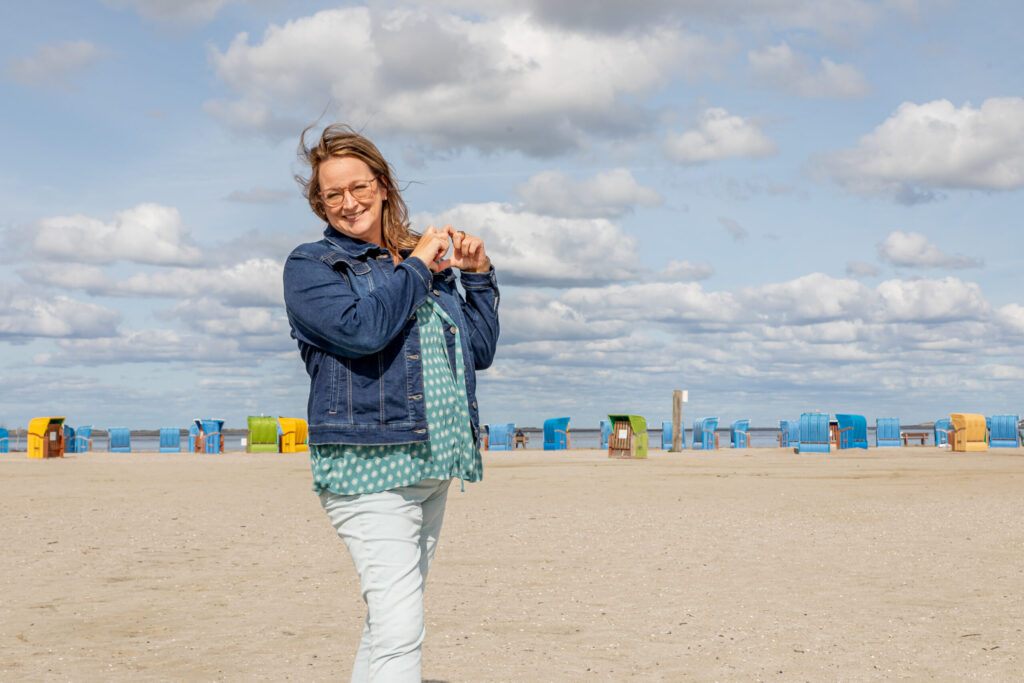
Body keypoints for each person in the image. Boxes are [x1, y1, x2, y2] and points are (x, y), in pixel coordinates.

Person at [282, 124, 500, 681]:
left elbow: (476, 352)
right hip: (369, 467)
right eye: (333, 194)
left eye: (359, 187)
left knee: (388, 625)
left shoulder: (415, 266)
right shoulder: (312, 266)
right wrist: (420, 266)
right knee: (402, 631)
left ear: (382, 187)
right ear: (319, 202)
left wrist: (476, 279)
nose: (348, 202)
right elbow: (363, 331)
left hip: (433, 465)